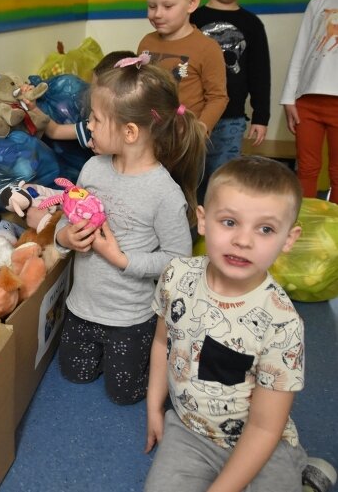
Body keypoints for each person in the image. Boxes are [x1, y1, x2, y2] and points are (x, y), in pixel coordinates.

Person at [144, 155, 337, 492]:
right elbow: (163, 342)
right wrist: (153, 406)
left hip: (263, 442)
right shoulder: (176, 275)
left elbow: (264, 428)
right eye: (230, 222)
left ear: (288, 240)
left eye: (265, 229)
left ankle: (305, 475)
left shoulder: (283, 323)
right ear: (202, 220)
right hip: (191, 431)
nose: (243, 240)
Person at [54, 57, 206, 405]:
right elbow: (68, 216)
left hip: (130, 319)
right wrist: (64, 238)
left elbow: (177, 261)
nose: (87, 125)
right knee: (73, 375)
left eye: (95, 119)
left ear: (130, 132)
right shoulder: (92, 167)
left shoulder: (163, 192)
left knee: (125, 395)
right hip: (81, 308)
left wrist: (122, 260)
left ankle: (162, 353)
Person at [192, 0, 271, 202]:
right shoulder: (193, 19)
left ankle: (218, 230)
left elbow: (260, 72)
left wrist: (261, 116)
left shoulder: (252, 24)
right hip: (193, 117)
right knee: (191, 178)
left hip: (231, 120)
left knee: (223, 181)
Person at [138, 0, 229, 135]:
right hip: (150, 135)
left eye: (167, 6)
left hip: (185, 140)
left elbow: (218, 97)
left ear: (192, 3)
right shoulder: (146, 42)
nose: (157, 14)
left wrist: (200, 129)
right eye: (152, 6)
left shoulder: (207, 48)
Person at [281, 0, 338, 204]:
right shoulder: (319, 2)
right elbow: (301, 50)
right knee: (307, 167)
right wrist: (288, 98)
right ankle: (303, 223)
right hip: (307, 102)